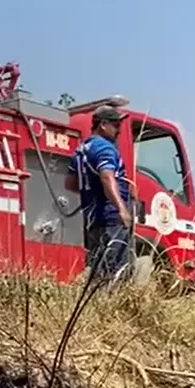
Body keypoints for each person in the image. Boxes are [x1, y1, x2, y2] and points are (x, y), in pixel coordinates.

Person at [64, 105, 134, 284]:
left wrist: (92, 192)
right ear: (103, 124)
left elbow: (70, 184)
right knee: (115, 271)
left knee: (97, 269)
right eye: (116, 125)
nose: (119, 130)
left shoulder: (81, 149)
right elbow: (106, 176)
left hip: (91, 219)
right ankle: (112, 307)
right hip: (110, 217)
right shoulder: (105, 148)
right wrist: (122, 209)